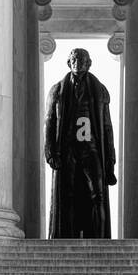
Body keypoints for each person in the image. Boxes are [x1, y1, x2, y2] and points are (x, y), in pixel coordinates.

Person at [44, 47, 116, 238]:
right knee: (67, 196)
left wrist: (110, 160)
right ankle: (66, 237)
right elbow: (49, 122)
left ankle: (100, 238)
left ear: (89, 64)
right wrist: (50, 152)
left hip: (91, 149)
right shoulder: (57, 90)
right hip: (68, 149)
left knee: (98, 194)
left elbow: (107, 127)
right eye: (75, 60)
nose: (78, 63)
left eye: (83, 60)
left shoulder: (99, 90)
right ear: (69, 63)